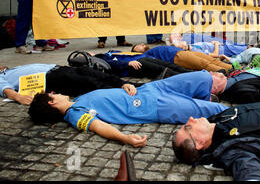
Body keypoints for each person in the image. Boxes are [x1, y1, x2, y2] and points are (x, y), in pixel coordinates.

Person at [28, 71, 229, 147]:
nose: (54, 92)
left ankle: (205, 96)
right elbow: (99, 127)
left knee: (203, 77)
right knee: (218, 110)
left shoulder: (79, 99)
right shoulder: (74, 115)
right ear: (51, 103)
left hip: (150, 89)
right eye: (51, 95)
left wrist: (124, 86)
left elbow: (109, 97)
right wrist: (125, 138)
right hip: (156, 106)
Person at [0, 64, 135, 105]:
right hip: (51, 79)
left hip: (60, 68)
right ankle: (128, 95)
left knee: (98, 75)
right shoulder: (2, 77)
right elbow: (6, 89)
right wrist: (18, 97)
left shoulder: (9, 70)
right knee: (91, 83)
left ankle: (127, 85)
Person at [92, 50, 193, 80]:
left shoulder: (109, 53)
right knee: (164, 70)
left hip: (140, 58)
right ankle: (190, 78)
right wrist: (127, 63)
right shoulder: (100, 59)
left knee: (170, 65)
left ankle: (195, 74)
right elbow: (111, 64)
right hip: (133, 66)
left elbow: (124, 53)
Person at [131, 44, 232, 73]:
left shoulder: (152, 50)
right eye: (138, 46)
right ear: (137, 52)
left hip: (183, 53)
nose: (141, 44)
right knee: (205, 64)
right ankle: (230, 72)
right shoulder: (146, 55)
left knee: (211, 60)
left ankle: (234, 68)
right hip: (177, 57)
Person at [173, 40, 248, 59]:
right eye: (179, 43)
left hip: (223, 46)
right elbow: (215, 55)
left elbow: (205, 47)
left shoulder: (192, 46)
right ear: (182, 46)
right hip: (225, 50)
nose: (181, 41)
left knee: (245, 45)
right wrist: (216, 44)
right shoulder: (195, 51)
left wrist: (211, 43)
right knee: (247, 49)